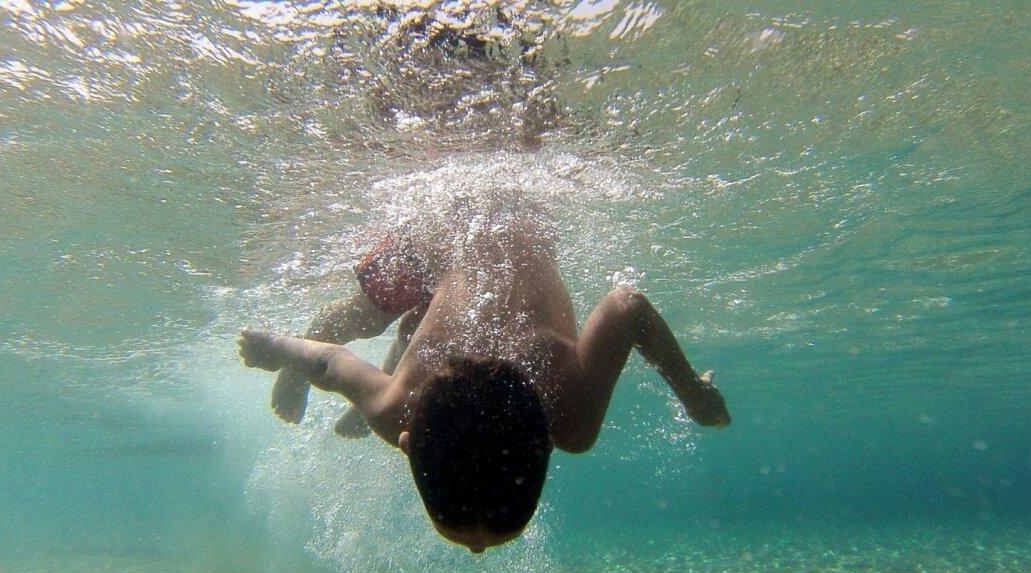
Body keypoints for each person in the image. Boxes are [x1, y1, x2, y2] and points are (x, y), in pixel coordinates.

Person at [239, 194, 730, 554]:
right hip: (439, 236)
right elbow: (326, 361)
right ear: (408, 442)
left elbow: (629, 306)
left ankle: (389, 358)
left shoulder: (570, 419)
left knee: (409, 334)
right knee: (365, 317)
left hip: (448, 246)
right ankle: (348, 366)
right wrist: (280, 349)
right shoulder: (397, 411)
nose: (477, 551)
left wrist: (692, 392)